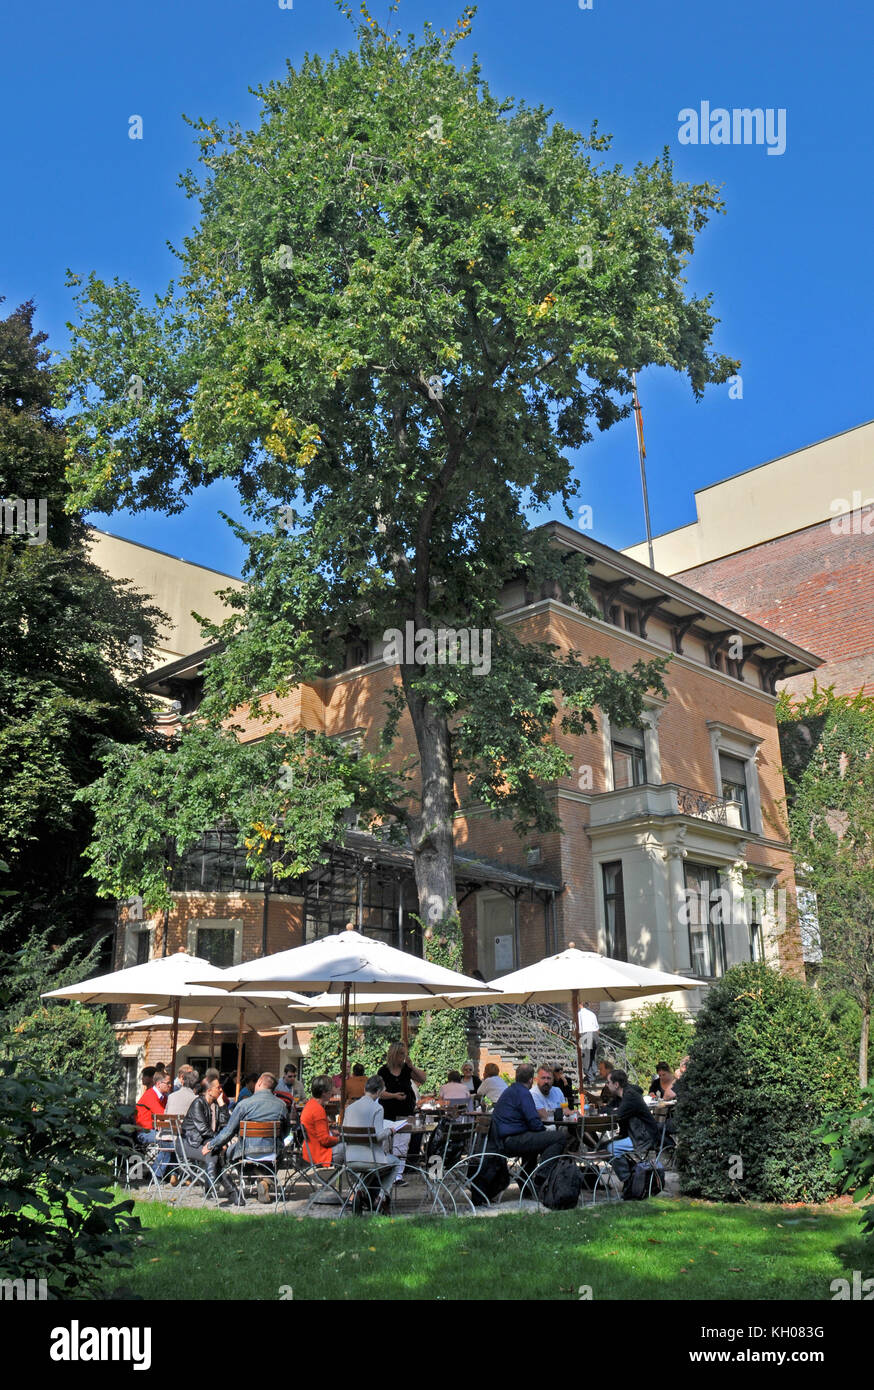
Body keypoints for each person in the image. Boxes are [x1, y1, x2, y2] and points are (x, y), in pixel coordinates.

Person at [202, 1073, 290, 1204]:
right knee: (280, 1153)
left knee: (227, 1154)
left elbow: (229, 1132)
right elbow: (286, 1131)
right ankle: (264, 1178)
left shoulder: (244, 1104)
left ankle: (252, 1177)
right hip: (273, 1152)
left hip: (246, 1151)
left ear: (259, 1083)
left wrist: (211, 1145)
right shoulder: (281, 1105)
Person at [490, 1063, 568, 1186]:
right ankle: (541, 1178)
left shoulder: (511, 1090)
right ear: (532, 1080)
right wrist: (544, 1132)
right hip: (510, 1141)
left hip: (500, 1140)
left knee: (536, 1140)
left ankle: (525, 1180)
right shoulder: (524, 1093)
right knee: (559, 1137)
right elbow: (534, 1122)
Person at [342, 1075, 400, 1211]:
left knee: (369, 1171)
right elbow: (379, 1136)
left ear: (364, 1089)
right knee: (395, 1162)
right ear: (380, 1091)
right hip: (372, 1160)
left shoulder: (349, 1108)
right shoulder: (377, 1108)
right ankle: (381, 1196)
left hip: (350, 1159)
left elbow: (344, 1134)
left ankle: (360, 1191)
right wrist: (390, 1131)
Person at [377, 1041, 426, 1185]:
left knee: (402, 1144)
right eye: (401, 1054)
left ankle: (398, 1175)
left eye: (404, 1054)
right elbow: (379, 1093)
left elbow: (423, 1079)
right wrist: (394, 1096)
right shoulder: (383, 1071)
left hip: (406, 1111)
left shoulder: (406, 1069)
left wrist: (412, 1067)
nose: (403, 1057)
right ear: (394, 1054)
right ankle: (385, 1171)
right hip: (387, 1112)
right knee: (386, 1143)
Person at [181, 1076, 236, 1201]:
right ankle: (222, 1187)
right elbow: (204, 1129)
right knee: (213, 1153)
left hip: (205, 1143)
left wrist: (222, 1104)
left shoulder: (215, 1105)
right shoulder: (198, 1103)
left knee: (213, 1152)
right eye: (218, 1087)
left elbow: (225, 1125)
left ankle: (217, 1188)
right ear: (209, 1091)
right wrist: (220, 1141)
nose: (221, 1090)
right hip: (189, 1143)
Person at [603, 1069, 661, 1184]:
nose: (606, 1085)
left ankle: (629, 1180)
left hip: (644, 1137)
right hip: (633, 1135)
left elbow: (617, 1114)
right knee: (603, 1147)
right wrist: (612, 1110)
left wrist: (613, 1110)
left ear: (616, 1084)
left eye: (608, 1082)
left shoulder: (630, 1096)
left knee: (611, 1148)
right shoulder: (620, 1096)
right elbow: (607, 1109)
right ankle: (634, 1173)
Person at [300, 1075, 344, 1168]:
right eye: (331, 1090)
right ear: (324, 1093)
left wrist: (331, 1132)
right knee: (348, 1147)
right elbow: (325, 1140)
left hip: (309, 1152)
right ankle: (354, 1180)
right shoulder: (318, 1110)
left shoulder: (310, 1104)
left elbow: (316, 1131)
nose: (332, 1092)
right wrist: (340, 1139)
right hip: (320, 1155)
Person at [577, 1003, 600, 1078]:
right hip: (594, 1035)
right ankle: (595, 1071)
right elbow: (597, 1029)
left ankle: (591, 1077)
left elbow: (576, 1029)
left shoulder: (578, 1014)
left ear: (580, 1004)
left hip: (585, 1035)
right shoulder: (592, 1014)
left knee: (585, 1058)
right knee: (592, 1055)